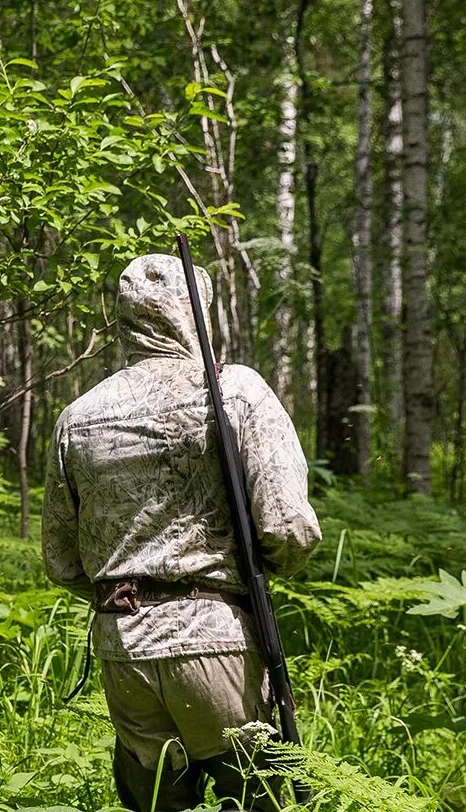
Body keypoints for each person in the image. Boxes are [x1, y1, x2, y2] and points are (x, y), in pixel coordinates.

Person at [42, 253, 321, 811]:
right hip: (216, 638)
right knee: (257, 799)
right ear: (196, 313)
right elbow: (288, 526)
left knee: (156, 805)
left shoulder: (78, 416)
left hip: (122, 646)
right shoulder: (234, 391)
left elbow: (62, 560)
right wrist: (258, 572)